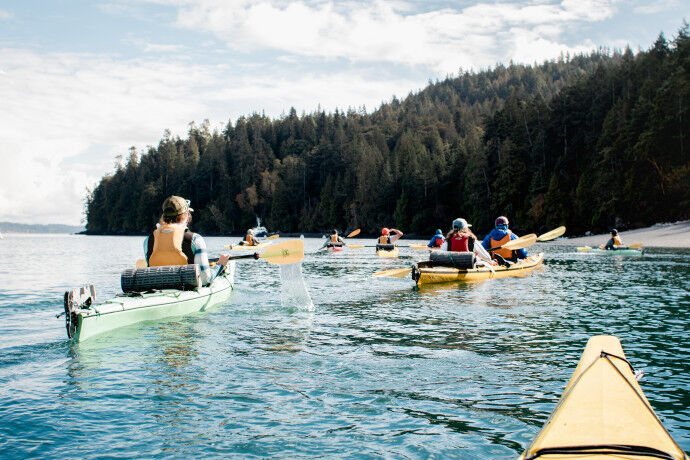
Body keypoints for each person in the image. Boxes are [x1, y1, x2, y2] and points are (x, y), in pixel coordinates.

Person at [144, 196, 231, 285]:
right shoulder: (195, 239)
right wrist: (220, 265)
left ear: (164, 216)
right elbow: (205, 279)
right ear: (186, 214)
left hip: (155, 289)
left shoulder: (148, 240)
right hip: (186, 288)